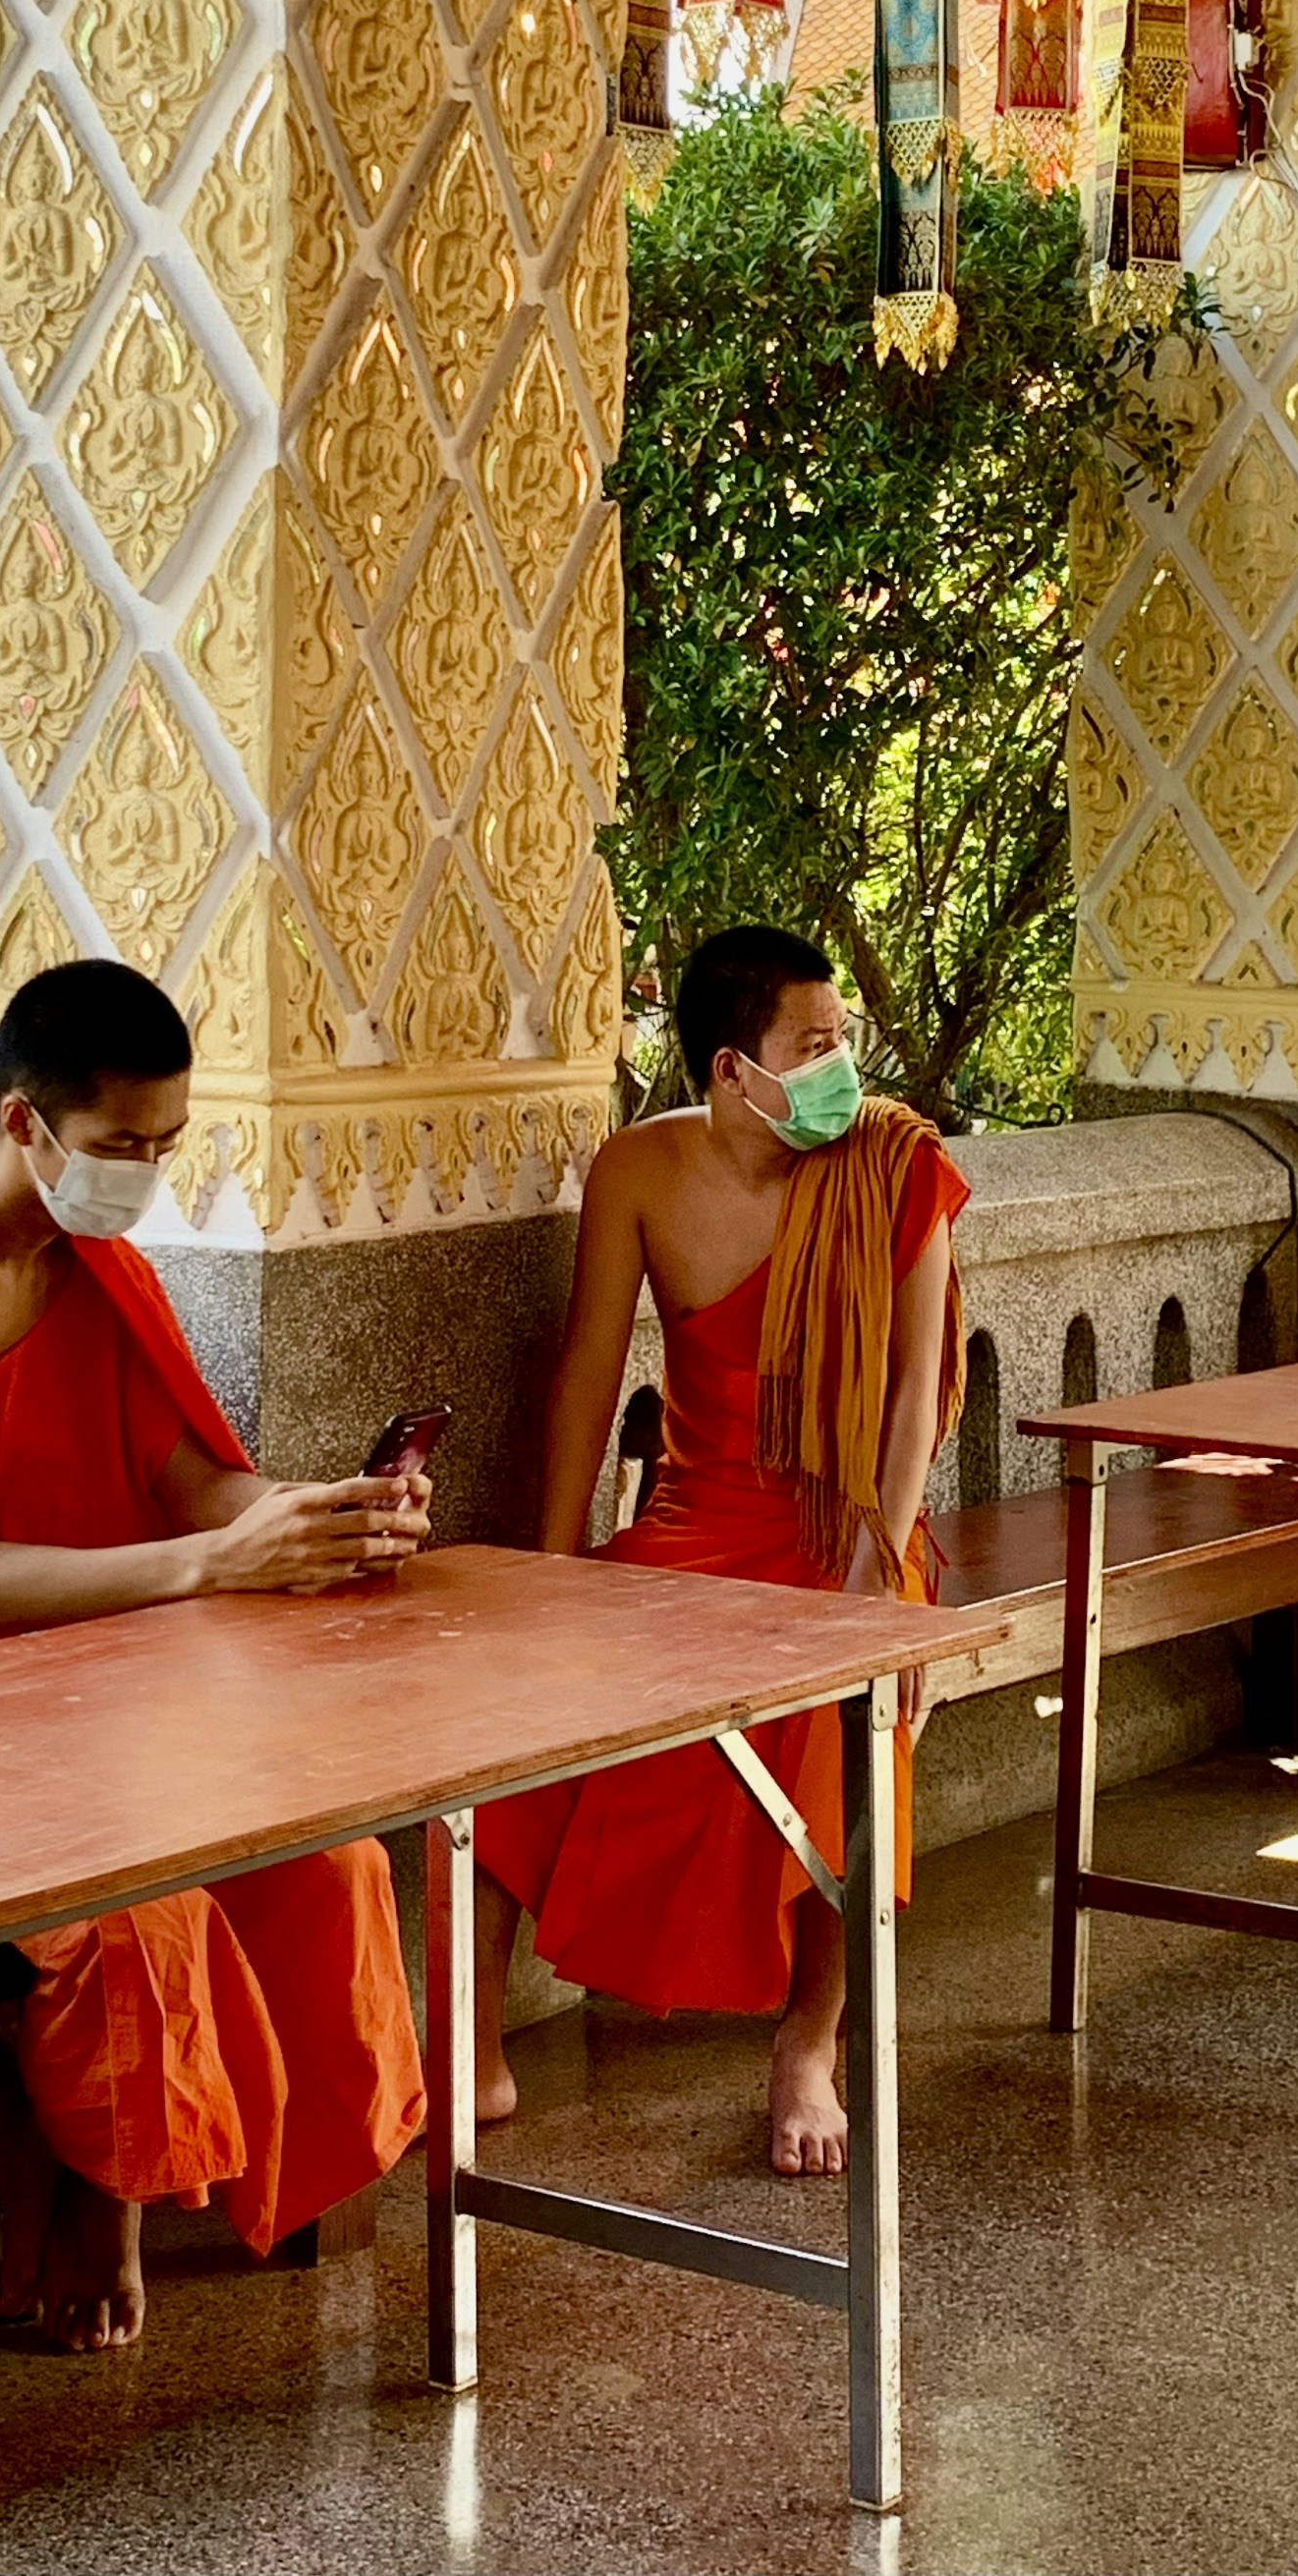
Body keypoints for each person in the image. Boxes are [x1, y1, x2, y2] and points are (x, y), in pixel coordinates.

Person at [0, 959, 429, 2354]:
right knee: (133, 1900)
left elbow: (185, 1482)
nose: (145, 1177)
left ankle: (270, 2165)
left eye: (166, 1146)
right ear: (21, 1123)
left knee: (327, 1854)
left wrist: (302, 1515)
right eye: (120, 1148)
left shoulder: (87, 1260)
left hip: (73, 1681)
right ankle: (110, 2181)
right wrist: (208, 1566)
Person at [474, 925, 966, 2177]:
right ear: (735, 1067)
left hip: (844, 1518)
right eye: (814, 1044)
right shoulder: (637, 1170)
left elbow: (914, 1388)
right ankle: (468, 2030)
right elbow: (589, 1366)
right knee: (525, 1706)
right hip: (694, 1524)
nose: (842, 1066)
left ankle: (812, 2038)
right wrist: (552, 1561)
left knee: (842, 1715)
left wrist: (879, 1561)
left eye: (842, 1037)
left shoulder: (895, 1164)